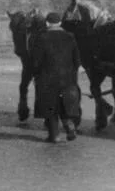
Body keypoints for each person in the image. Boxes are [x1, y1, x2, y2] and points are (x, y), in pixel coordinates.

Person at [31, 12, 82, 143]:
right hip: (67, 78)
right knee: (65, 104)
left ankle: (54, 135)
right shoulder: (70, 36)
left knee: (50, 106)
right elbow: (77, 60)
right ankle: (70, 127)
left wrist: (35, 74)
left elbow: (36, 61)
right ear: (60, 23)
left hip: (48, 78)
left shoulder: (41, 38)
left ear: (47, 23)